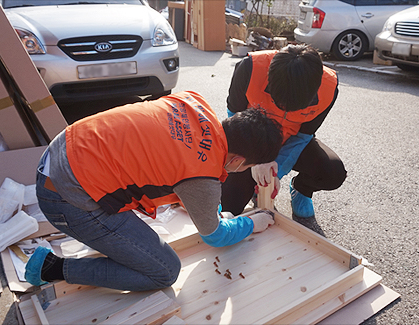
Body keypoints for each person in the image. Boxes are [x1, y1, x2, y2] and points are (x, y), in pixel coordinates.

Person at [24, 91, 283, 291]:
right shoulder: (201, 176)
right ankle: (51, 267)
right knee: (164, 271)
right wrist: (251, 224)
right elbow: (213, 237)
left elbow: (168, 156)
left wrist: (208, 208)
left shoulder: (193, 102)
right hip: (66, 197)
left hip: (61, 151)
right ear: (237, 161)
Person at [221, 44, 347, 232]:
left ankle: (301, 189)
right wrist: (256, 161)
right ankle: (255, 190)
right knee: (228, 209)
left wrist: (275, 173)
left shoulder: (329, 87)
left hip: (292, 140)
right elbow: (234, 124)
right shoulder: (249, 68)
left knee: (332, 172)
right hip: (251, 143)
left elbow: (303, 136)